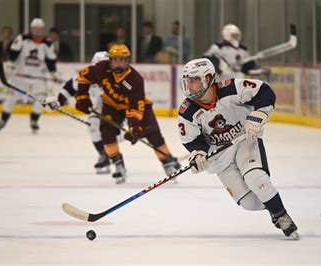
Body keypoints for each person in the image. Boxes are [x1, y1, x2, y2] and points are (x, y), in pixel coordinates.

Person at [177, 58, 299, 239]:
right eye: (188, 81)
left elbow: (264, 91)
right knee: (250, 203)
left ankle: (280, 215)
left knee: (255, 176)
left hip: (244, 140)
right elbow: (192, 139)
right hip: (220, 158)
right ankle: (270, 201)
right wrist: (199, 153)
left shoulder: (231, 88)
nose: (190, 86)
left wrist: (259, 113)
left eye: (195, 81)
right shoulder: (187, 111)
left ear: (208, 78)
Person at [75, 44, 181, 184]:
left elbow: (136, 106)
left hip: (137, 106)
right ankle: (118, 164)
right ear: (110, 60)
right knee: (106, 132)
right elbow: (83, 75)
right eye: (115, 60)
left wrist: (134, 127)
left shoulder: (135, 79)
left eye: (122, 60)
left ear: (127, 61)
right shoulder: (102, 69)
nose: (119, 64)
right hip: (112, 105)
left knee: (152, 133)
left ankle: (167, 161)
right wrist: (82, 97)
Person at [44, 51, 112, 174]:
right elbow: (68, 90)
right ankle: (104, 156)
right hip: (102, 104)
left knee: (113, 132)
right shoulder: (86, 75)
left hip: (122, 106)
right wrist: (57, 102)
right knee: (93, 127)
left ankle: (114, 153)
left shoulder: (118, 76)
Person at [0, 18, 60, 133]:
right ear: (31, 29)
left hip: (38, 76)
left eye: (39, 29)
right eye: (35, 29)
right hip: (20, 76)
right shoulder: (22, 38)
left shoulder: (48, 42)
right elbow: (13, 53)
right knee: (11, 99)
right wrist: (9, 66)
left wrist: (54, 73)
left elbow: (50, 60)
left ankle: (34, 120)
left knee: (42, 100)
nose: (37, 31)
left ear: (42, 30)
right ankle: (3, 120)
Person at [204, 24, 269, 80]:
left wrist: (258, 70)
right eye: (233, 35)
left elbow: (248, 66)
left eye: (237, 35)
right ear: (226, 34)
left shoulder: (243, 49)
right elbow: (207, 59)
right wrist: (219, 67)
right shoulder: (218, 47)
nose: (236, 37)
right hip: (221, 81)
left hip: (238, 82)